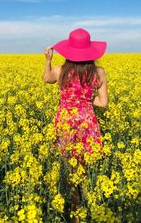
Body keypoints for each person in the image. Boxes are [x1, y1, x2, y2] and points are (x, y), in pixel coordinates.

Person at [43, 28, 108, 222]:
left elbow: (46, 79)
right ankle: (89, 209)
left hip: (66, 122)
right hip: (87, 123)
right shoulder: (99, 72)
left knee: (71, 169)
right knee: (86, 170)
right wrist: (85, 102)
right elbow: (103, 103)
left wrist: (48, 59)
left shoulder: (61, 70)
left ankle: (75, 211)